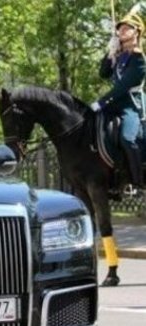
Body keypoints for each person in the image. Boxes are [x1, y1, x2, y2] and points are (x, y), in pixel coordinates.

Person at [92, 10, 146, 196]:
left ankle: (137, 182)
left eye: (126, 28)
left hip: (131, 104)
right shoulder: (119, 55)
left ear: (136, 32)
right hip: (116, 103)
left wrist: (101, 102)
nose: (121, 31)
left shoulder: (139, 59)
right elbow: (103, 74)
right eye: (120, 29)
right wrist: (110, 52)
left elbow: (123, 87)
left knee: (127, 138)